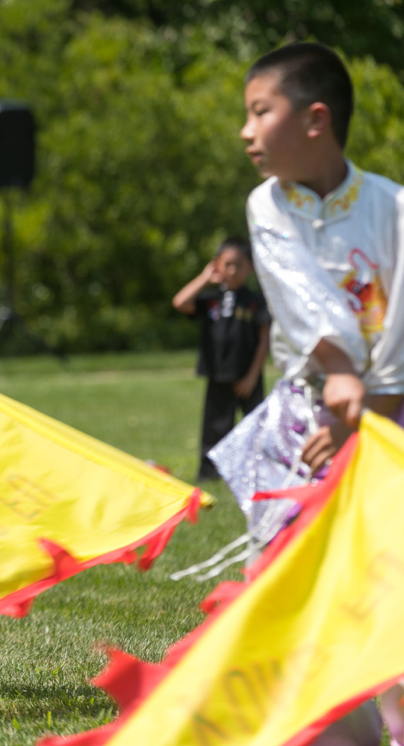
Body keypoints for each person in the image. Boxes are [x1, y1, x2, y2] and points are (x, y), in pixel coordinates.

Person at [210, 42, 404, 746]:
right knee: (288, 578)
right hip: (305, 420)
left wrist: (372, 406)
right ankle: (329, 734)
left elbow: (403, 318)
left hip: (390, 418)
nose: (246, 130)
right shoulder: (267, 206)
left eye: (260, 112)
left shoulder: (392, 207)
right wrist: (340, 381)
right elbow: (302, 298)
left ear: (315, 118)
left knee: (389, 578)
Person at [172, 237, 270, 481]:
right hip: (218, 375)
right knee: (214, 429)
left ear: (250, 267)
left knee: (254, 427)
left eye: (239, 264)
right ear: (217, 265)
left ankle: (258, 473)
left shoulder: (256, 302)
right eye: (227, 264)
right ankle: (209, 475)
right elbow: (180, 302)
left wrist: (251, 377)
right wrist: (206, 277)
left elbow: (264, 339)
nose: (233, 270)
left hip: (247, 377)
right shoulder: (211, 299)